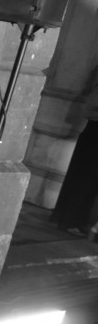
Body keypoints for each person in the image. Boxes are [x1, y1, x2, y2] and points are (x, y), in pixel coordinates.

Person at [50, 63, 98, 240]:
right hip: (95, 127)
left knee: (88, 178)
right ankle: (70, 220)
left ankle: (73, 219)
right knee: (85, 177)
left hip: (94, 127)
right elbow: (93, 101)